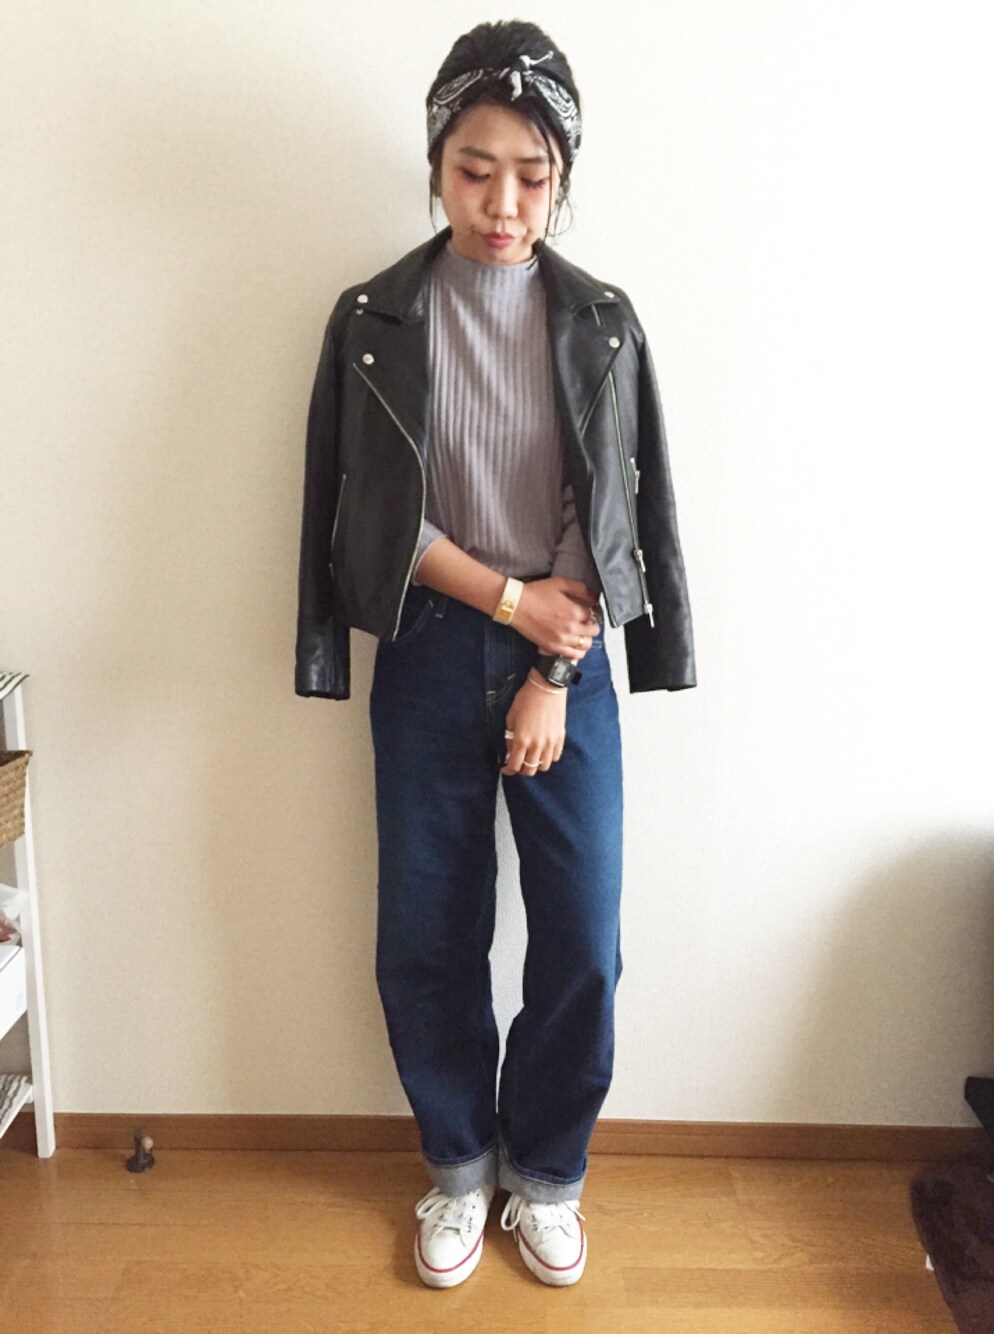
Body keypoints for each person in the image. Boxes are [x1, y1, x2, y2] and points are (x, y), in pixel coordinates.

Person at [295, 18, 696, 1289]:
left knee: (580, 937)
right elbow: (371, 518)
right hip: (427, 651)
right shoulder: (374, 318)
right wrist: (512, 602)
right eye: (475, 170)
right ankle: (460, 1167)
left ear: (563, 176)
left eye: (532, 173)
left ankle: (550, 1174)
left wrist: (550, 667)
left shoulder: (603, 321)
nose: (504, 203)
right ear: (434, 164)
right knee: (427, 928)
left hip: (563, 662)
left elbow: (610, 510)